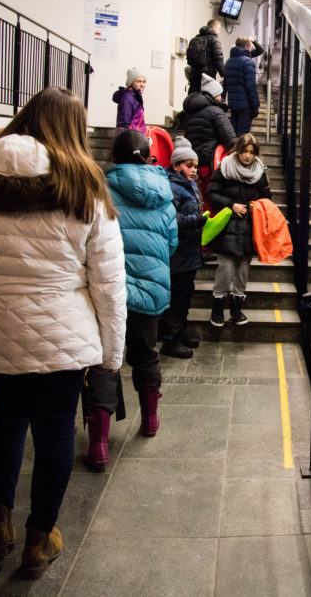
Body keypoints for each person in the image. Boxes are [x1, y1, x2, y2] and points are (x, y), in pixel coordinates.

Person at [0, 87, 126, 578]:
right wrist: (112, 350)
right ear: (72, 129)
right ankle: (39, 541)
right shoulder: (85, 188)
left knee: (8, 417)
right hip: (63, 338)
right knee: (57, 429)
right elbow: (108, 283)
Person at [85, 131, 177, 470]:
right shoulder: (163, 192)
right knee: (146, 355)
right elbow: (171, 243)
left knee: (104, 361)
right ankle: (150, 419)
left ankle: (98, 445)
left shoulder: (101, 189)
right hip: (151, 289)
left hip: (111, 289)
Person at [207, 133, 272, 326]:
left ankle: (236, 309)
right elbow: (211, 193)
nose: (248, 156)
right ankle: (217, 307)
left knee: (243, 270)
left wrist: (256, 206)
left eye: (252, 152)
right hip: (228, 226)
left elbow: (267, 198)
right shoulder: (226, 167)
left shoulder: (259, 172)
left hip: (250, 228)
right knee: (226, 268)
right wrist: (231, 205)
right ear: (238, 151)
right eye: (244, 151)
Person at [160, 137, 207, 358]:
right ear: (176, 165)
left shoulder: (189, 185)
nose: (194, 170)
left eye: (195, 166)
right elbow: (171, 218)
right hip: (178, 253)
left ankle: (179, 333)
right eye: (189, 165)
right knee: (177, 297)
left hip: (189, 251)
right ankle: (170, 340)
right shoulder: (172, 186)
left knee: (185, 294)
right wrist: (195, 221)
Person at [181, 74, 236, 201]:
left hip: (194, 162)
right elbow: (230, 139)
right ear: (213, 95)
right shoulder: (215, 112)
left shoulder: (190, 114)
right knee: (212, 197)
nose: (221, 97)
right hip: (212, 162)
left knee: (200, 196)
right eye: (219, 94)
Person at [224, 37, 260, 136]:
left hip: (233, 104)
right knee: (243, 136)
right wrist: (255, 104)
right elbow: (250, 86)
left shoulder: (228, 62)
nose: (251, 49)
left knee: (234, 135)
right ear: (246, 46)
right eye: (250, 46)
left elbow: (225, 83)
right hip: (245, 105)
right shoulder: (247, 61)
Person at [186, 19, 225, 93]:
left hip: (194, 76)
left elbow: (189, 58)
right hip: (207, 77)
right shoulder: (214, 40)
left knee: (193, 99)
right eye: (219, 29)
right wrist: (224, 74)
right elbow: (218, 59)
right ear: (214, 28)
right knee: (206, 100)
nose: (219, 32)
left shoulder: (194, 40)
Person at [113, 67, 148, 134]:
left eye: (144, 82)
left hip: (136, 137)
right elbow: (124, 123)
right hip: (131, 139)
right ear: (131, 83)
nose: (142, 85)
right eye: (138, 81)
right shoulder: (128, 98)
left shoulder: (136, 97)